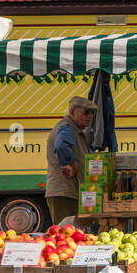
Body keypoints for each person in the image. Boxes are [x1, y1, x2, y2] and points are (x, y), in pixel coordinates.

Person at [44, 96, 96, 225]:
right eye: (85, 112)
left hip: (70, 192)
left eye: (92, 113)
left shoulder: (74, 129)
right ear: (72, 112)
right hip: (65, 193)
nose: (90, 116)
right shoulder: (67, 127)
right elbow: (62, 146)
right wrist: (68, 164)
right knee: (65, 234)